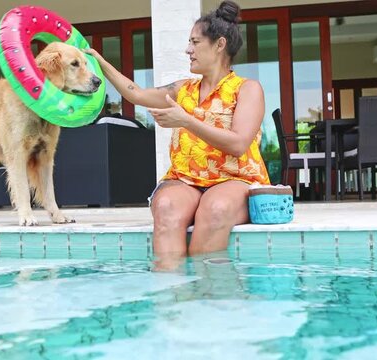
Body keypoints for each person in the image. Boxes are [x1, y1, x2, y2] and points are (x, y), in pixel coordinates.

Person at [84, 0, 270, 269]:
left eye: (195, 42)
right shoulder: (182, 90)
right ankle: (172, 300)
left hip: (236, 179)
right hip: (185, 179)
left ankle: (209, 298)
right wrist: (100, 63)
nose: (188, 50)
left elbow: (239, 144)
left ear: (219, 44)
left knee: (215, 209)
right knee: (167, 207)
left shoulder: (248, 89)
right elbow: (136, 93)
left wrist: (186, 120)